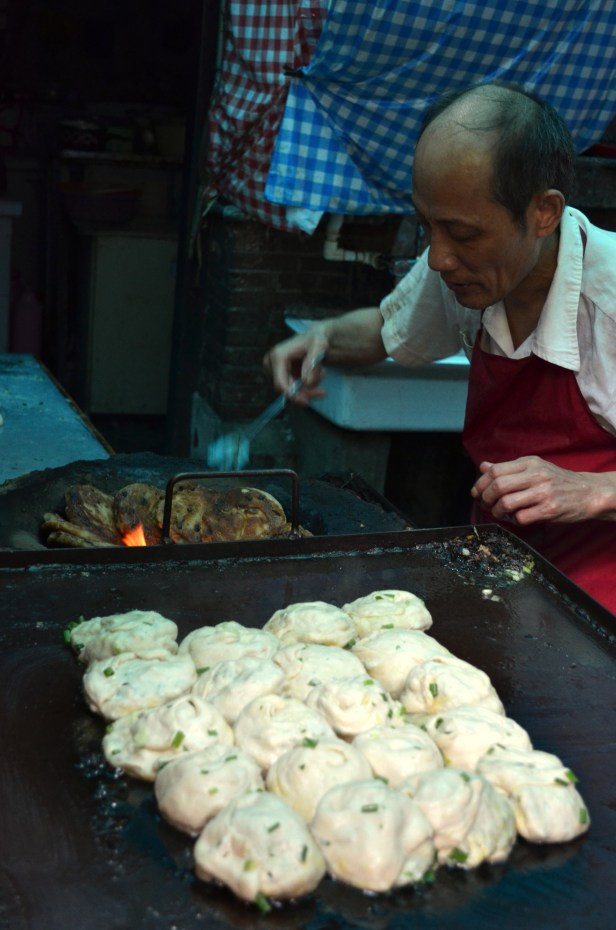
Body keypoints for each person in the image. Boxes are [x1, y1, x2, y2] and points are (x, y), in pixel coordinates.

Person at [264, 82, 616, 615]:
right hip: (499, 568)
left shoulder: (608, 300)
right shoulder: (465, 270)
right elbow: (389, 330)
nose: (438, 259)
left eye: (462, 233)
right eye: (429, 226)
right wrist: (325, 337)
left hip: (600, 598)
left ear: (544, 213)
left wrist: (592, 490)